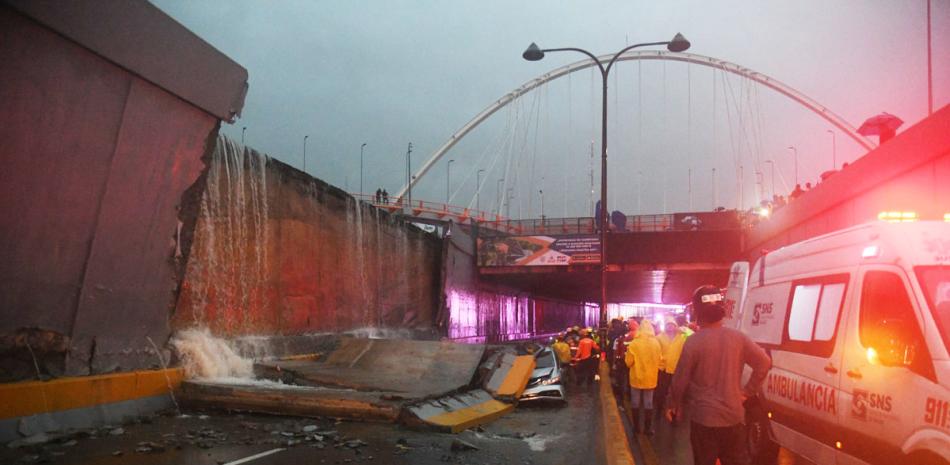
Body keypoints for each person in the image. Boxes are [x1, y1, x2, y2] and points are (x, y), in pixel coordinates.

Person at [667, 285, 771, 465]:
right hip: (734, 418)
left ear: (698, 312)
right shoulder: (738, 338)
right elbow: (764, 362)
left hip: (704, 420)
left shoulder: (693, 342)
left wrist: (673, 404)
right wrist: (747, 392)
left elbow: (680, 380)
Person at [654, 316, 693, 425]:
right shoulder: (659, 337)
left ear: (676, 326)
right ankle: (658, 411)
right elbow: (656, 351)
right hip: (663, 369)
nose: (670, 327)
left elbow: (693, 335)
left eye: (672, 325)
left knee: (677, 393)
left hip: (677, 369)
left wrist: (683, 330)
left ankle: (674, 415)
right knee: (661, 391)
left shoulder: (682, 337)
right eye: (668, 324)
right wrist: (661, 359)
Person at [625, 320, 662, 435]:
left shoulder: (634, 343)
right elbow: (659, 360)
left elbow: (628, 362)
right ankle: (648, 428)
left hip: (636, 377)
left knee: (635, 402)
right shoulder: (656, 343)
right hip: (650, 378)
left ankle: (636, 428)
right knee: (648, 403)